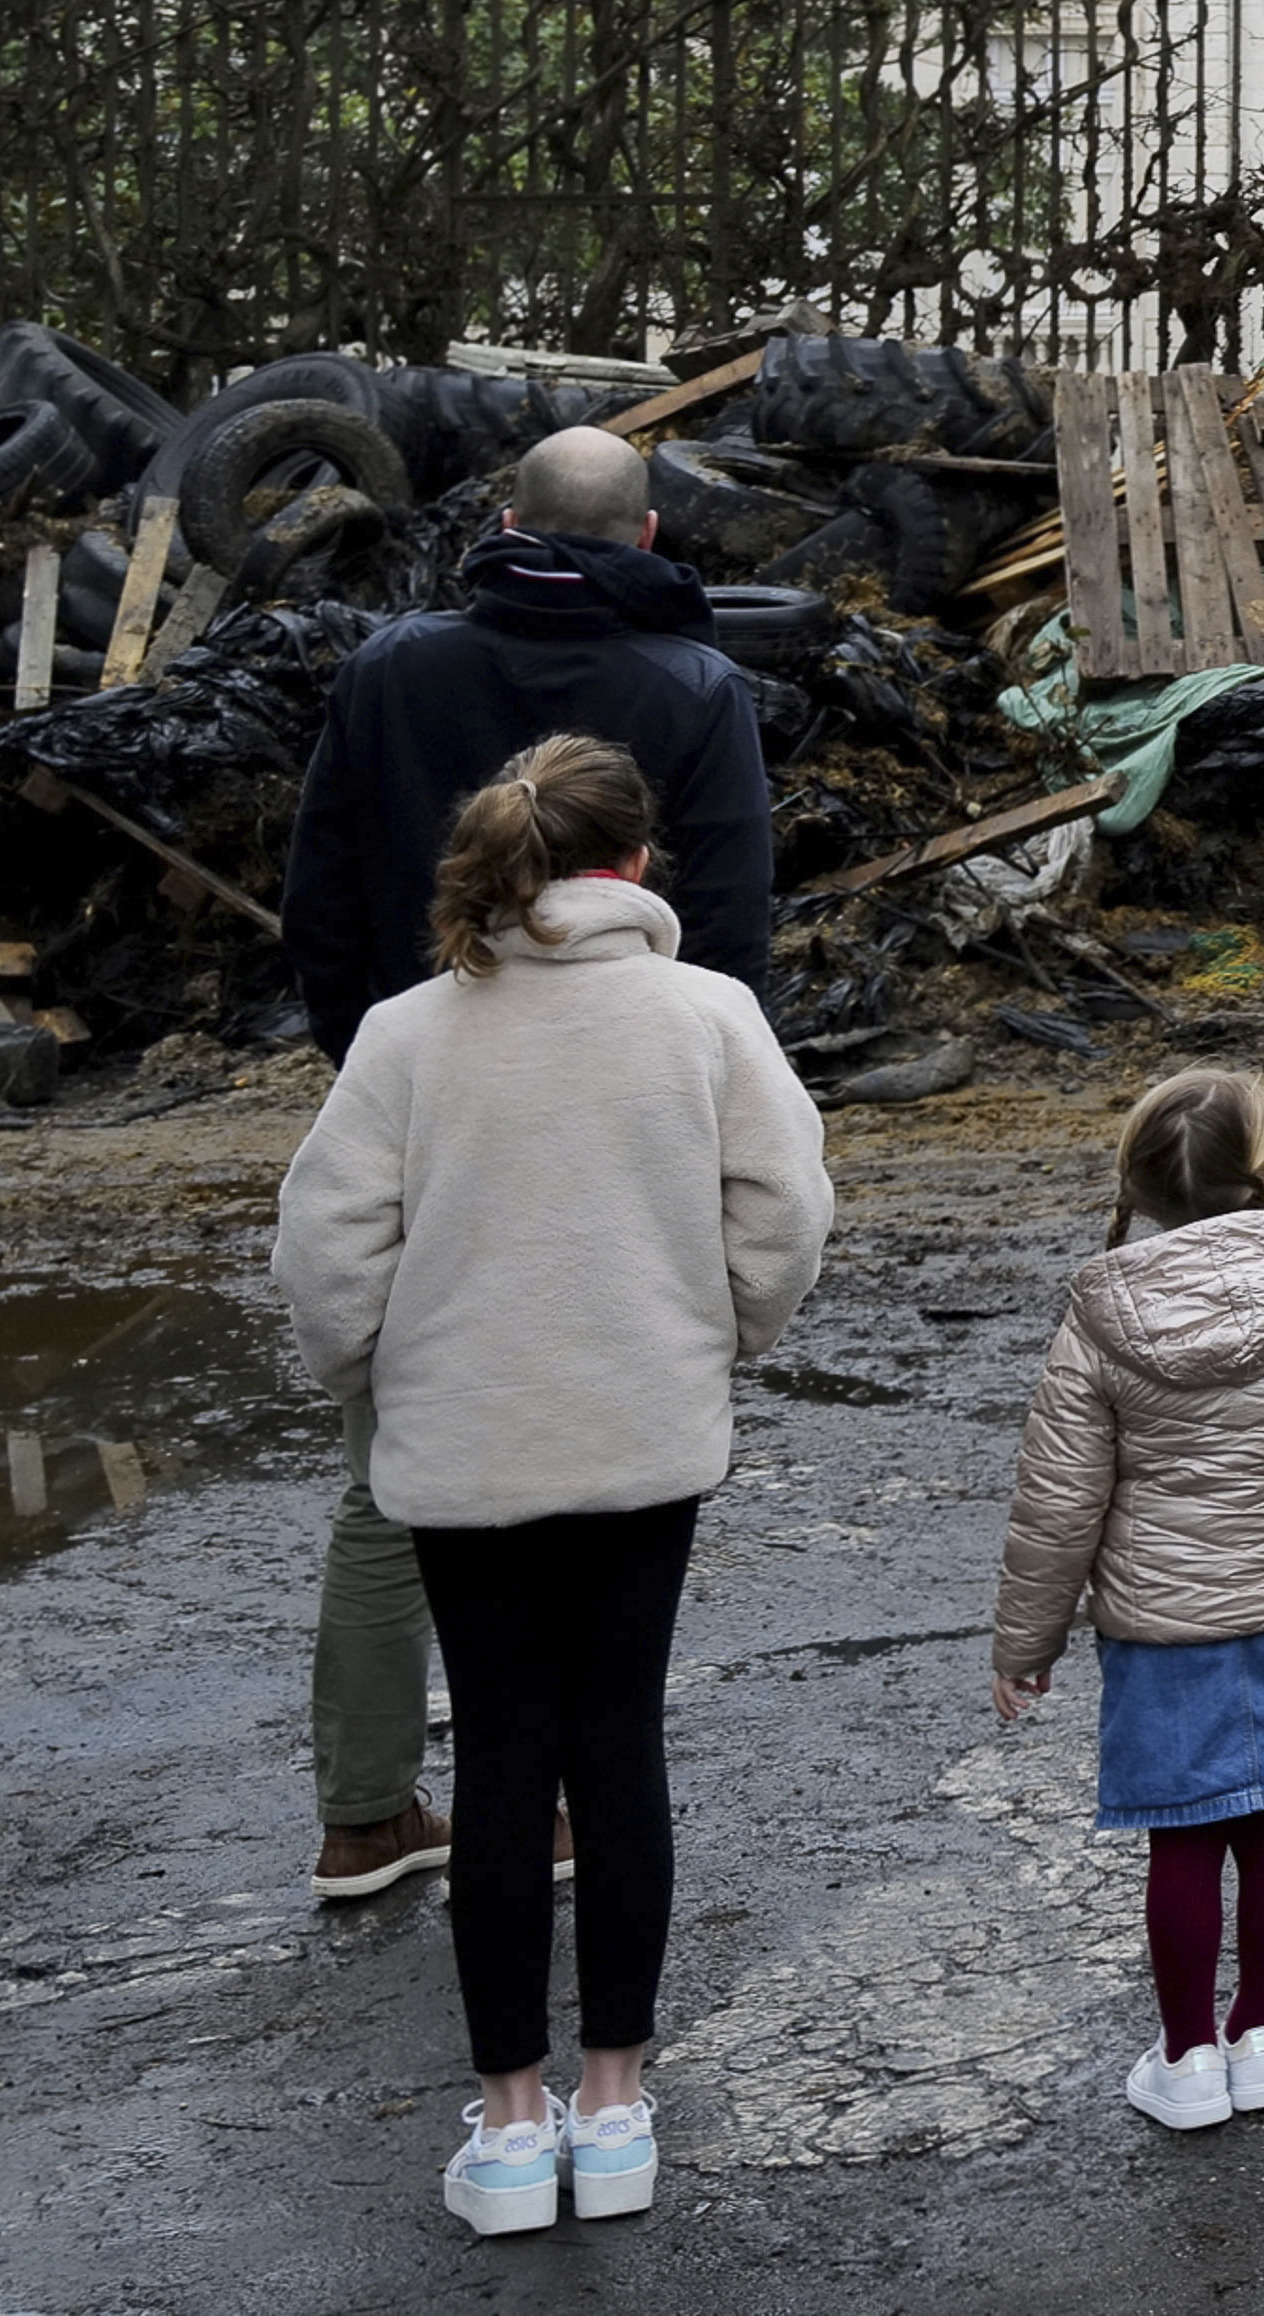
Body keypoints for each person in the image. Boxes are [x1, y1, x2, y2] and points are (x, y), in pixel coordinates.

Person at [273, 732, 831, 2237]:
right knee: (618, 1746)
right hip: (645, 1435)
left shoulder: (405, 1033)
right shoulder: (708, 1016)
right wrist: (717, 1341)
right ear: (639, 864)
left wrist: (375, 1385)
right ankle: (617, 2102)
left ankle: (511, 2130)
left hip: (461, 1451)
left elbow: (326, 1254)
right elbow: (784, 1213)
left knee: (505, 1763)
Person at [278, 422, 775, 1906]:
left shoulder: (390, 670)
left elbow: (318, 894)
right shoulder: (695, 686)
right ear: (645, 541)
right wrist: (707, 1088)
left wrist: (383, 1065)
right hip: (637, 1112)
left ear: (499, 520)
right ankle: (573, 1806)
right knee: (610, 1464)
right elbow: (736, 921)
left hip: (426, 1096)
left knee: (391, 1480)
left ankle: (365, 1813)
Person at [991, 1067, 1264, 2131]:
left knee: (1180, 1835)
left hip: (1160, 1632)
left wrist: (1026, 1639)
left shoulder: (1097, 1315)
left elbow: (1059, 1498)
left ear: (1139, 1190)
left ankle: (1186, 2057)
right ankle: (1262, 2035)